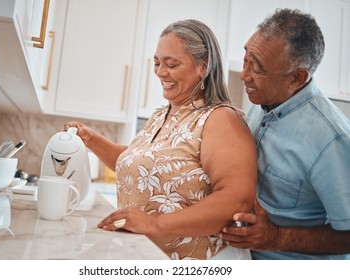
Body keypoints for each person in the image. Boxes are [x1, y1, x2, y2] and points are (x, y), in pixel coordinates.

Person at [64, 19, 257, 260]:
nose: (160, 72)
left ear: (203, 66)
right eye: (157, 63)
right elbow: (141, 170)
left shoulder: (220, 119)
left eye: (171, 64)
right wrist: (92, 139)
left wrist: (155, 224)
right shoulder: (161, 115)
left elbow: (236, 200)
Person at [221, 8, 350, 260]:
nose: (245, 75)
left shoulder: (332, 140)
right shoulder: (263, 99)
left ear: (297, 78)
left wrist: (277, 237)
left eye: (257, 68)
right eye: (245, 58)